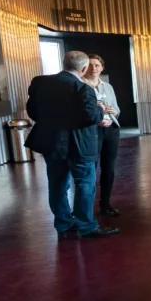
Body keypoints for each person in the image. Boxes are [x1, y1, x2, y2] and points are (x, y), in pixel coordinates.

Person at [25, 51, 119, 239]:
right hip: (79, 144)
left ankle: (64, 225)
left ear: (64, 63)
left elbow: (32, 112)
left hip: (51, 143)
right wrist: (100, 110)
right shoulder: (82, 88)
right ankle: (87, 227)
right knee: (85, 184)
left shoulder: (40, 83)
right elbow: (90, 117)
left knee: (57, 185)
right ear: (83, 68)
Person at [82, 54, 122, 217]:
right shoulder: (80, 85)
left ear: (102, 67)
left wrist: (114, 111)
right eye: (90, 65)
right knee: (90, 169)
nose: (94, 68)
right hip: (92, 131)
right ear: (84, 67)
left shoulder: (108, 87)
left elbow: (117, 108)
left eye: (97, 65)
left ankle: (105, 204)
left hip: (111, 130)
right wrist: (97, 119)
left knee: (109, 168)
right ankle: (86, 209)